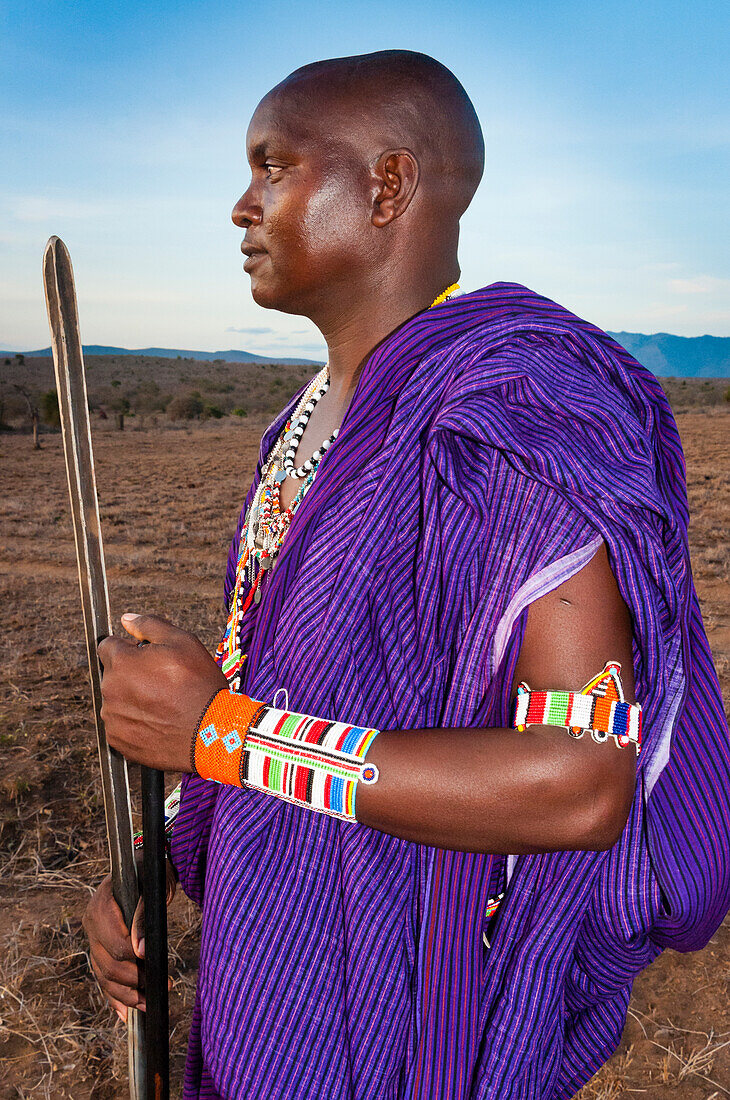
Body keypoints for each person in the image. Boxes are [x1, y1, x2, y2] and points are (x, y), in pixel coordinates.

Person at [83, 50, 730, 1099]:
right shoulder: (297, 429)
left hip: (411, 1017)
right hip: (272, 976)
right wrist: (150, 853)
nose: (241, 205)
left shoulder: (517, 419)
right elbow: (283, 700)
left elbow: (579, 781)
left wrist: (221, 737)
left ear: (385, 185)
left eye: (273, 166)